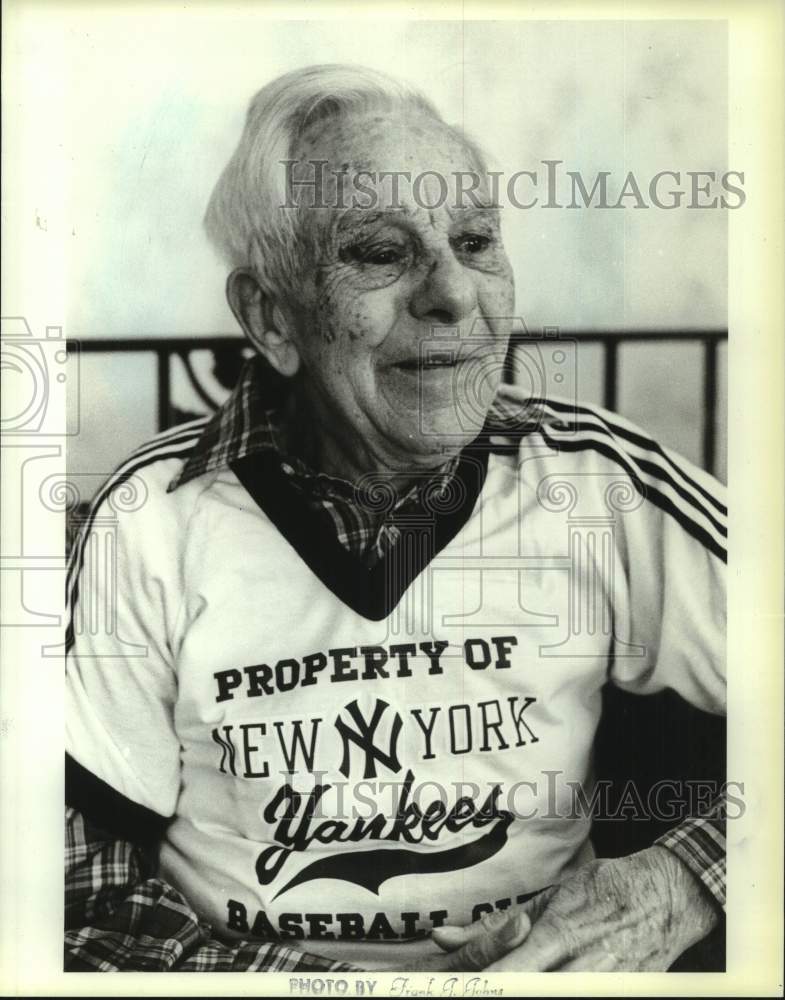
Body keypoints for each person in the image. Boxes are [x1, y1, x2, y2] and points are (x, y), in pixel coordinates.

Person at [65, 64, 726, 972]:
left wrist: (683, 880)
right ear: (271, 317)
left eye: (475, 241)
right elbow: (71, 886)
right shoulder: (149, 518)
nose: (454, 294)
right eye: (380, 252)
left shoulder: (594, 484)